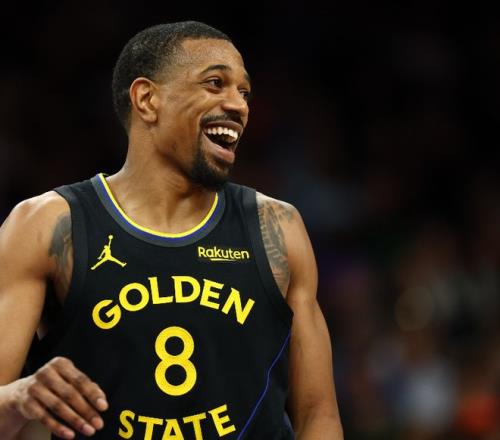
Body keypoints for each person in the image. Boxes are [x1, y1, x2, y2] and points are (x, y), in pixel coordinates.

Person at [0, 21, 343, 439]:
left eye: (244, 92)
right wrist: (17, 396)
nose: (238, 105)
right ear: (147, 99)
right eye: (215, 83)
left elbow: (318, 415)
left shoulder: (277, 227)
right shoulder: (48, 225)